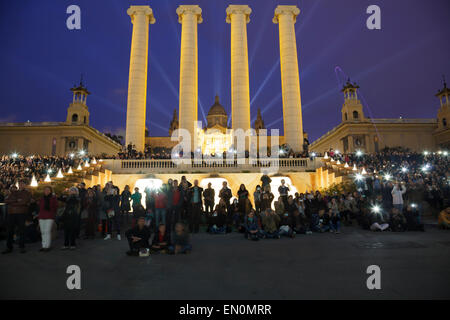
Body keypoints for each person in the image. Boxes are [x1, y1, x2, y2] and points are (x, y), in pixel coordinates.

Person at [3, 180, 32, 254]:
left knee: (22, 231)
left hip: (21, 214)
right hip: (11, 213)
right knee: (10, 231)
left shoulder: (27, 193)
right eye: (20, 184)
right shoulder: (13, 192)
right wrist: (17, 201)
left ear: (25, 185)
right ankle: (9, 247)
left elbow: (24, 202)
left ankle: (22, 247)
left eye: (22, 184)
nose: (21, 185)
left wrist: (12, 203)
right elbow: (6, 200)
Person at [38, 186, 58, 251]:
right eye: (45, 190)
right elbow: (39, 207)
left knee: (47, 231)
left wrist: (53, 214)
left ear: (50, 191)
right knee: (43, 232)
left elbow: (56, 207)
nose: (46, 191)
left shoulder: (53, 198)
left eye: (48, 190)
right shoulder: (41, 198)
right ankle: (43, 245)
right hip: (41, 216)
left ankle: (47, 246)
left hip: (49, 216)